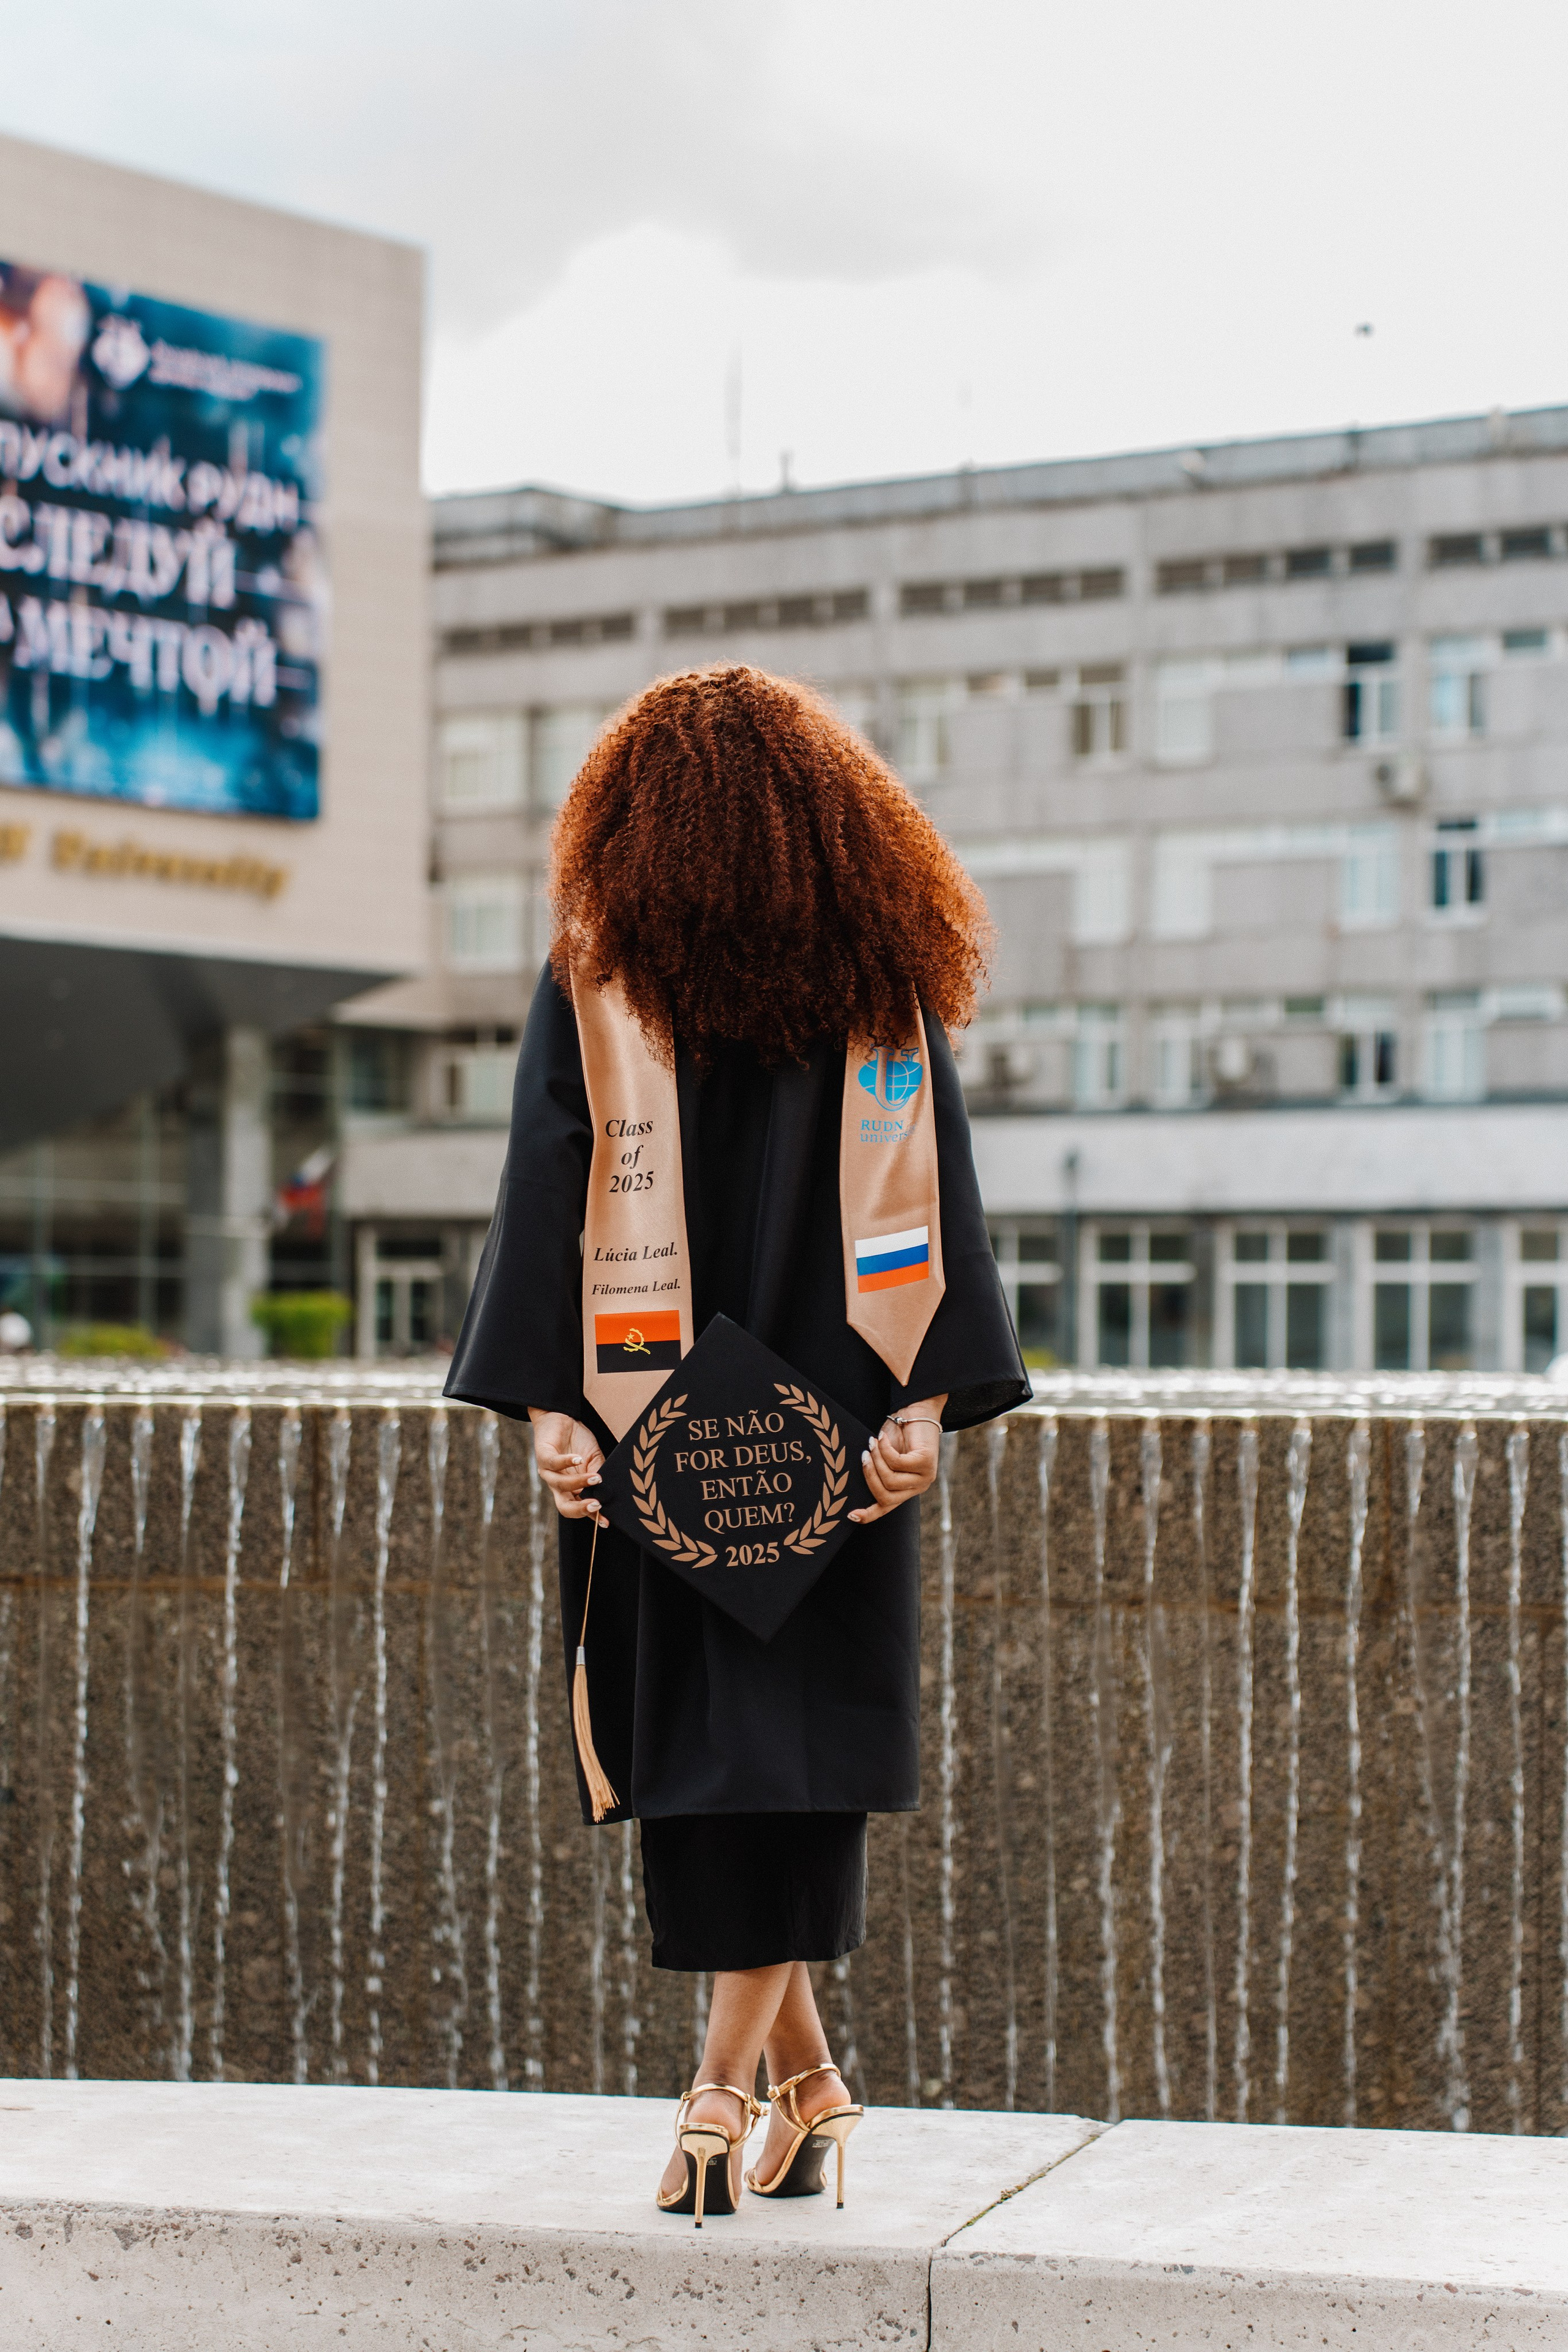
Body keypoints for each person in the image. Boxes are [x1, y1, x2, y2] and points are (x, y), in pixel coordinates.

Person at [445, 664, 1028, 2222]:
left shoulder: (597, 980)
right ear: (839, 818)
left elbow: (543, 1194)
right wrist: (925, 1405)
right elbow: (943, 1206)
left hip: (658, 1435)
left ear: (633, 821)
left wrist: (554, 1412)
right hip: (832, 1439)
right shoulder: (876, 982)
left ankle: (711, 2098)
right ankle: (813, 2094)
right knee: (781, 1758)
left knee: (713, 1754)